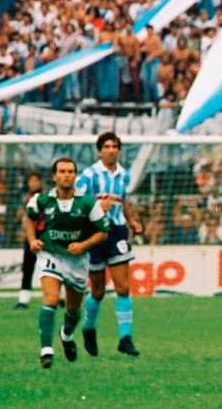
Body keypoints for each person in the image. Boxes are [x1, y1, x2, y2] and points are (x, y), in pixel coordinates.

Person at [25, 157, 110, 369]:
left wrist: (83, 245)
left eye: (70, 171)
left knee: (73, 310)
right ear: (54, 176)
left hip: (77, 260)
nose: (66, 175)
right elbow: (29, 217)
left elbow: (103, 232)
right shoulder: (42, 200)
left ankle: (66, 335)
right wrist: (32, 240)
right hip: (51, 254)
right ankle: (46, 351)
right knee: (51, 300)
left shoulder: (88, 203)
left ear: (75, 175)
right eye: (62, 171)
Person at [74, 132, 143, 358]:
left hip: (117, 232)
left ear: (120, 151)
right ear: (99, 151)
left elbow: (121, 202)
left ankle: (126, 338)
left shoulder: (124, 175)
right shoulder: (88, 175)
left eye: (115, 146)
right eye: (107, 146)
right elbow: (77, 202)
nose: (111, 150)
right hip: (95, 233)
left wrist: (131, 221)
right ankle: (88, 327)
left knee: (123, 287)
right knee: (98, 290)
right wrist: (95, 205)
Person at [14, 171, 45, 309]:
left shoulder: (45, 197)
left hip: (45, 235)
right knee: (27, 267)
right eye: (31, 181)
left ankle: (61, 297)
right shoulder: (26, 198)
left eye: (35, 180)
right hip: (31, 235)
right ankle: (23, 299)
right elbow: (22, 216)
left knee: (54, 265)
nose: (33, 183)